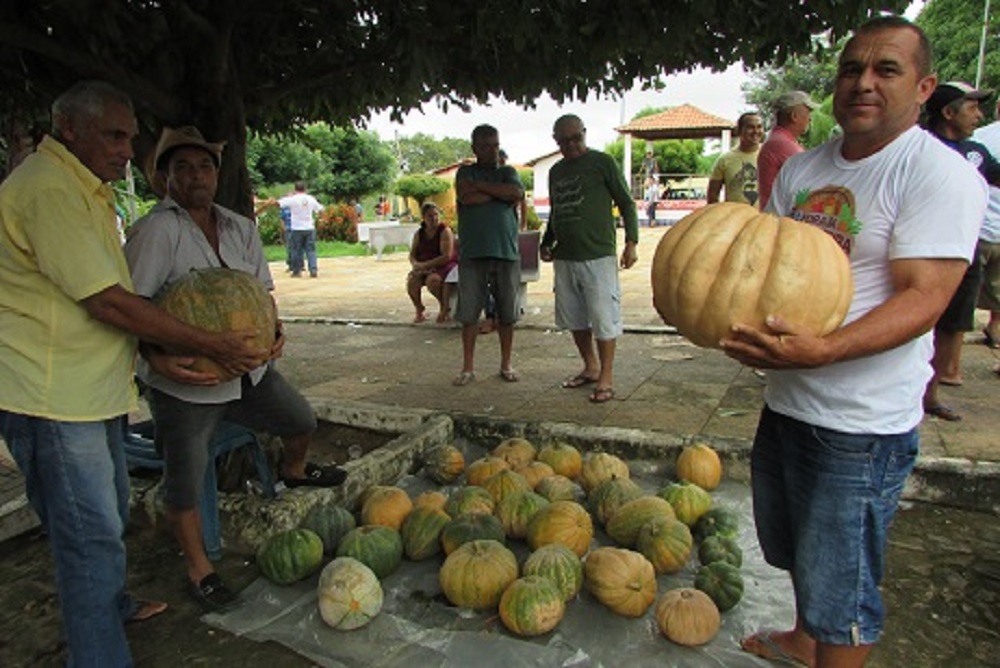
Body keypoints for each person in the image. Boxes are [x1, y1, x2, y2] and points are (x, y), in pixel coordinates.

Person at [721, 17, 987, 668]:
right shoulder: (805, 168)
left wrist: (824, 351)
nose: (863, 82)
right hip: (789, 402)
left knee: (846, 589)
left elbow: (926, 298)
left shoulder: (937, 174)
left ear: (924, 87)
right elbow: (764, 264)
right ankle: (803, 638)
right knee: (794, 551)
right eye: (850, 69)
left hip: (862, 426)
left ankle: (826, 642)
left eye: (886, 70)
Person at [0, 81, 263, 666]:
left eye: (130, 136)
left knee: (108, 512)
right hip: (51, 398)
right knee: (88, 534)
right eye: (114, 135)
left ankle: (110, 603)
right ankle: (100, 655)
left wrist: (153, 355)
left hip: (92, 393)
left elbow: (105, 301)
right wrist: (208, 342)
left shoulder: (85, 189)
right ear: (69, 128)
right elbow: (110, 302)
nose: (126, 149)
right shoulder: (48, 191)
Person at [124, 126, 348, 612]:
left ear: (217, 174)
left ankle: (292, 470)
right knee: (185, 474)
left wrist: (276, 329)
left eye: (204, 166)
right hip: (189, 382)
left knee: (300, 420)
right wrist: (157, 358)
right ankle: (199, 568)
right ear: (165, 177)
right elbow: (132, 307)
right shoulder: (154, 231)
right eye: (182, 167)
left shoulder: (239, 226)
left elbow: (261, 294)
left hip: (249, 370)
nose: (195, 176)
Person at [541, 114, 639, 403]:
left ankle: (606, 376)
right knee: (575, 318)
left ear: (584, 133)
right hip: (565, 256)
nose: (571, 145)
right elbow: (557, 212)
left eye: (576, 138)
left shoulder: (602, 163)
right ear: (555, 140)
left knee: (603, 317)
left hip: (598, 254)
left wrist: (631, 242)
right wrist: (547, 243)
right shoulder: (556, 171)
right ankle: (591, 366)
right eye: (564, 141)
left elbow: (626, 202)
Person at [921, 81, 1000, 420]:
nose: (978, 115)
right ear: (948, 112)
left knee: (955, 322)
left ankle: (932, 393)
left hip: (965, 251)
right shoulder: (919, 148)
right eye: (972, 107)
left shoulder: (976, 152)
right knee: (918, 320)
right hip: (922, 252)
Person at [452, 124, 525, 386]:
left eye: (494, 144)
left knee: (507, 313)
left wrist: (482, 188)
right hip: (473, 253)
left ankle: (506, 364)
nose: (491, 150)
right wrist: (498, 194)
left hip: (505, 252)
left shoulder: (508, 172)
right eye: (484, 146)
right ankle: (468, 368)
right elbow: (466, 197)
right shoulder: (464, 172)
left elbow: (515, 194)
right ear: (474, 148)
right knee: (469, 313)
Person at [758, 90, 819, 210]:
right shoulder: (783, 144)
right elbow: (813, 180)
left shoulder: (778, 140)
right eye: (808, 113)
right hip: (780, 221)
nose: (810, 118)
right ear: (794, 116)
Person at [973, 98, 1000, 353]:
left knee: (962, 296)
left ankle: (950, 361)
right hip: (989, 232)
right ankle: (995, 330)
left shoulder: (979, 139)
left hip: (977, 230)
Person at [407, 201, 457, 323]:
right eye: (430, 216)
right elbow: (412, 253)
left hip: (444, 265)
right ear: (423, 218)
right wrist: (416, 265)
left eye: (436, 215)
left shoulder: (445, 231)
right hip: (424, 265)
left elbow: (446, 256)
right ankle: (419, 308)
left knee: (433, 281)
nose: (434, 218)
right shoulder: (419, 233)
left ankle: (444, 306)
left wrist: (425, 265)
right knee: (412, 281)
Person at [707, 111, 764, 207]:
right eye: (750, 127)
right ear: (739, 130)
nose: (756, 131)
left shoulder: (771, 155)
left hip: (765, 219)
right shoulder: (724, 160)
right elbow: (712, 195)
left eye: (759, 127)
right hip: (737, 220)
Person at [279, 181, 324, 277]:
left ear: (295, 189)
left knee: (296, 250)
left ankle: (297, 271)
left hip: (296, 228)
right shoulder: (311, 199)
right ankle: (313, 269)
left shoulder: (292, 199)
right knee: (311, 250)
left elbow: (279, 203)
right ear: (305, 189)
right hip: (309, 227)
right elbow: (320, 209)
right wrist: (320, 219)